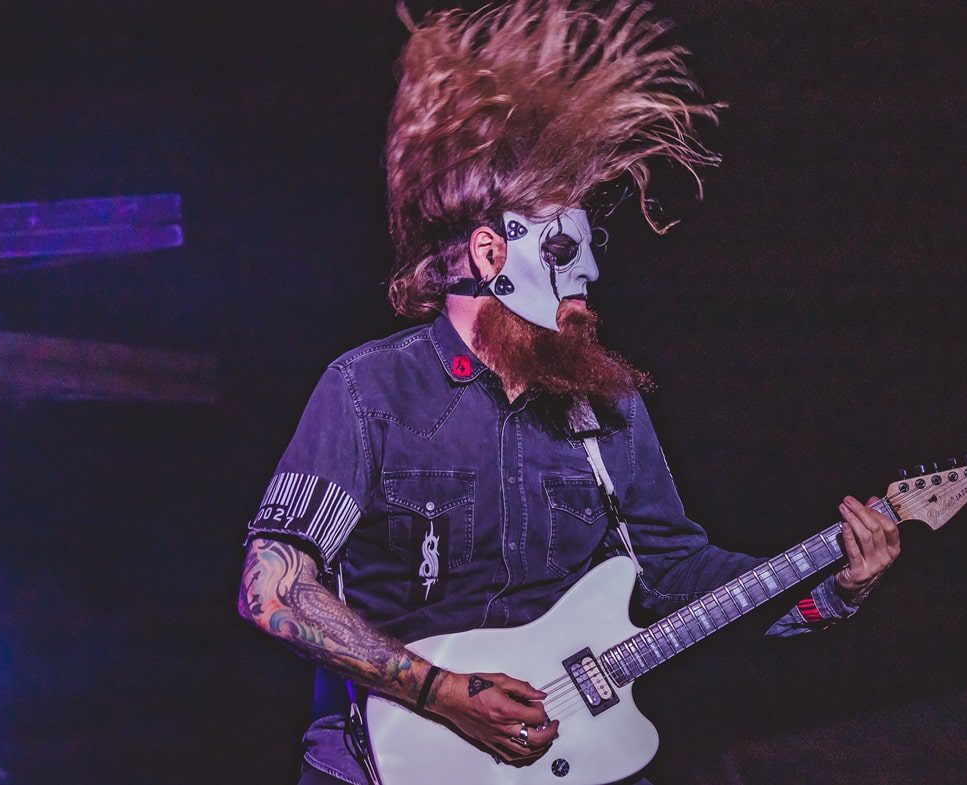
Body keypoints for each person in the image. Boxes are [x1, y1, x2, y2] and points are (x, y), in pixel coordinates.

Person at [237, 2, 900, 783]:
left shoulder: (605, 408)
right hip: (387, 762)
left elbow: (679, 574)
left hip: (566, 758)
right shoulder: (370, 389)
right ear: (490, 253)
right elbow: (271, 582)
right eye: (561, 250)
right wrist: (438, 691)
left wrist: (832, 588)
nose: (585, 281)